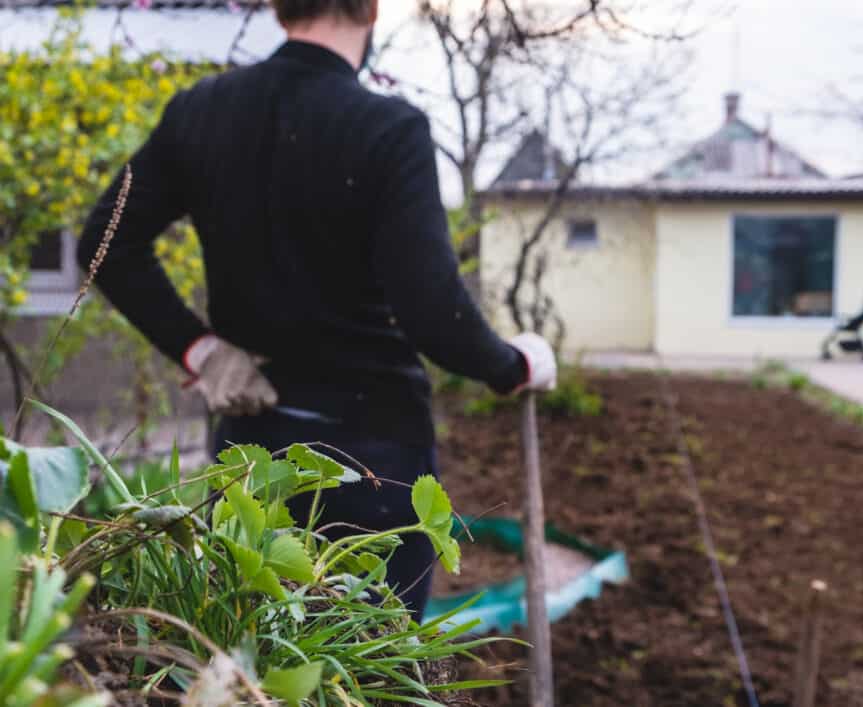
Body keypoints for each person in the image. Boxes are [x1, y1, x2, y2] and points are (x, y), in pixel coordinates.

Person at [77, 0, 557, 620]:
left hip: (253, 457)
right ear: (373, 9)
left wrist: (202, 351)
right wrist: (514, 364)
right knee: (367, 677)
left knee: (250, 666)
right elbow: (433, 314)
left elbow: (104, 242)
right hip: (374, 465)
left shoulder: (201, 110)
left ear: (279, 7)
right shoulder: (389, 130)